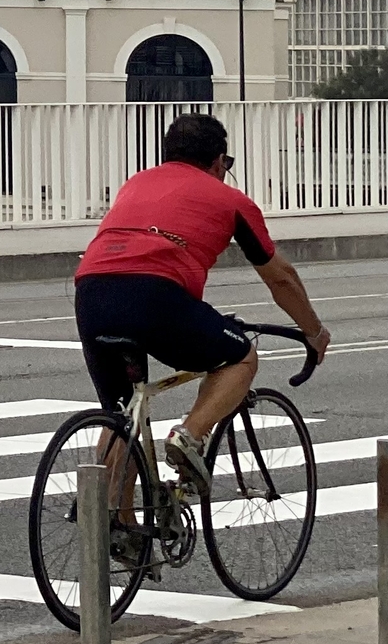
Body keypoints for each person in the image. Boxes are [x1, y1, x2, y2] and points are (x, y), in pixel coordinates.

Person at [74, 113, 328, 499]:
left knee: (120, 413)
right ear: (218, 162)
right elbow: (281, 278)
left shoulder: (137, 183)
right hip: (155, 294)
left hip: (90, 290)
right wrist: (313, 331)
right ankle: (189, 436)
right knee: (241, 357)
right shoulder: (231, 199)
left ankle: (119, 532)